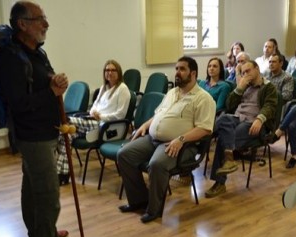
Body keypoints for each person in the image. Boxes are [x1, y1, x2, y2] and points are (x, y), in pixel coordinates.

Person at [0, 1, 74, 237]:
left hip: (46, 130)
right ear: (22, 24)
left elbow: (44, 82)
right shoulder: (10, 57)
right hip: (33, 136)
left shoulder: (36, 53)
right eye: (40, 19)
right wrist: (52, 92)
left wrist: (56, 80)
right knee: (48, 195)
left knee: (32, 189)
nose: (46, 24)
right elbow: (18, 103)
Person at [117, 56, 215, 223]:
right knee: (124, 154)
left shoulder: (203, 98)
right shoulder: (172, 92)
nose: (177, 72)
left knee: (157, 164)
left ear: (193, 73)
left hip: (180, 145)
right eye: (176, 68)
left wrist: (181, 139)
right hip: (153, 139)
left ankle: (154, 210)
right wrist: (145, 126)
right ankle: (139, 200)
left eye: (182, 69)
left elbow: (205, 129)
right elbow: (158, 115)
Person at [205, 60, 278, 198]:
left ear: (257, 69)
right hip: (238, 118)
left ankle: (219, 183)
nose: (246, 74)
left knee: (222, 139)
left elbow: (270, 106)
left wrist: (260, 119)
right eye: (243, 72)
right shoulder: (244, 85)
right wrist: (239, 88)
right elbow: (229, 105)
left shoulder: (268, 87)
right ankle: (228, 158)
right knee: (222, 119)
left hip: (254, 123)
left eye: (248, 71)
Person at [56, 59, 131, 185]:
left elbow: (120, 114)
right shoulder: (103, 88)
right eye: (107, 70)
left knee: (67, 122)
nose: (110, 73)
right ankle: (63, 173)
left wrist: (101, 116)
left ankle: (65, 120)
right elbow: (94, 106)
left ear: (119, 73)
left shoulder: (123, 89)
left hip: (106, 127)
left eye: (113, 70)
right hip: (92, 123)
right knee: (66, 136)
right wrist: (93, 113)